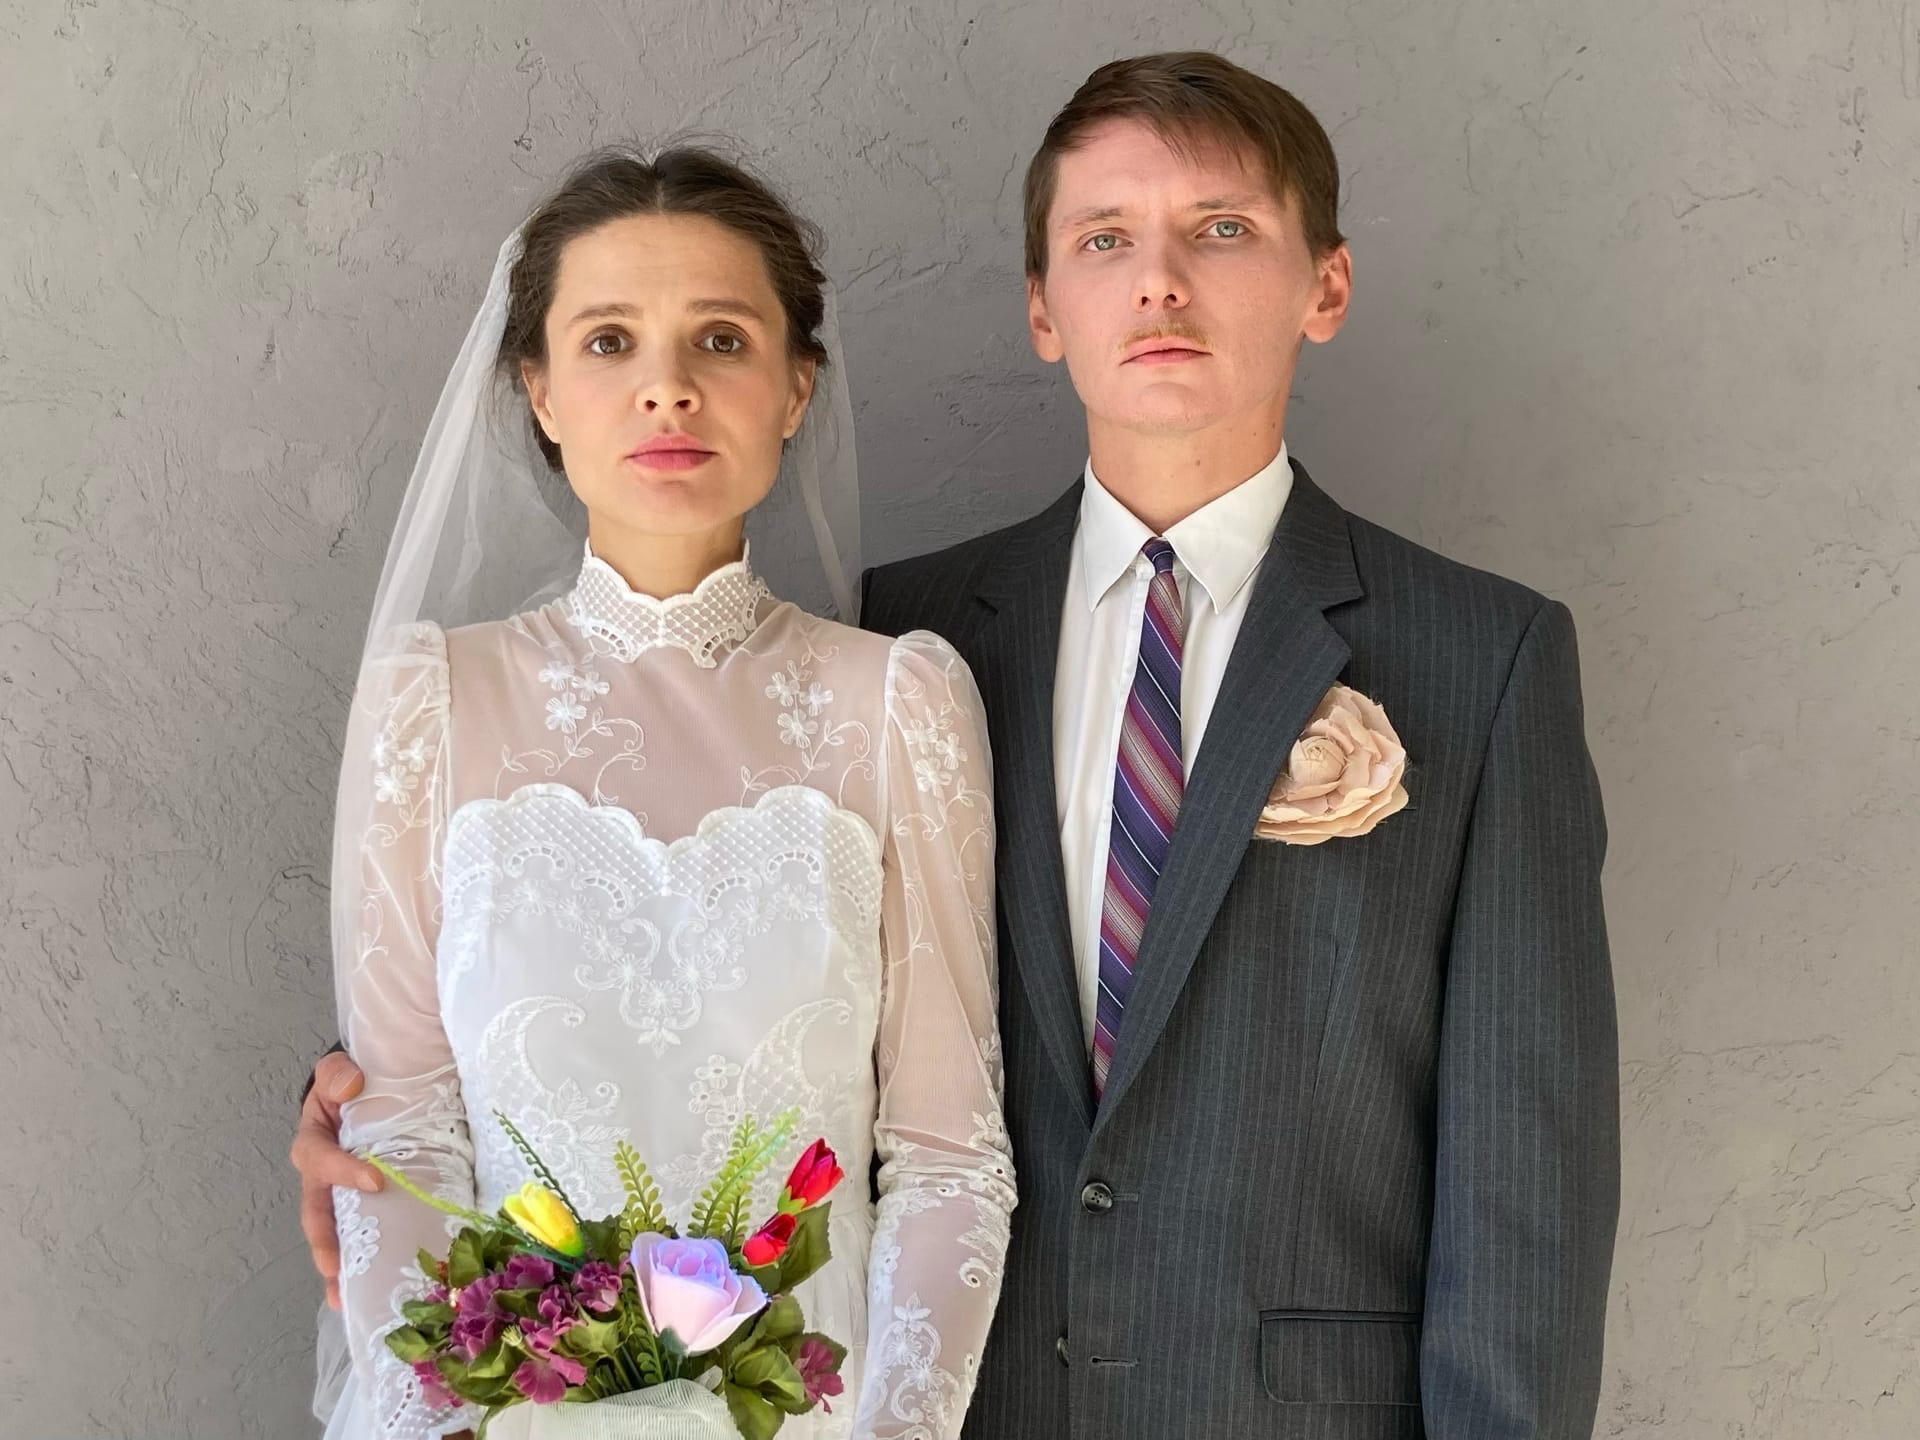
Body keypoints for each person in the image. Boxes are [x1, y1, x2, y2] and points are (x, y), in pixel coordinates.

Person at [301, 52, 1619, 1439]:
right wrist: (355, 1105)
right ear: (1043, 306)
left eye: (1222, 228)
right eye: (1104, 240)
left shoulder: (1484, 661)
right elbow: (553, 982)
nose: (1159, 285)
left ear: (1326, 284)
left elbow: (1526, 1164)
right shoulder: (921, 633)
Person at [309, 144, 1014, 1440]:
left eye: (722, 340)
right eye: (609, 341)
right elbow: (402, 1128)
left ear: (797, 386)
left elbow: (949, 1155)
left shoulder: (899, 704)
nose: (668, 388)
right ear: (538, 389)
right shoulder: (430, 703)